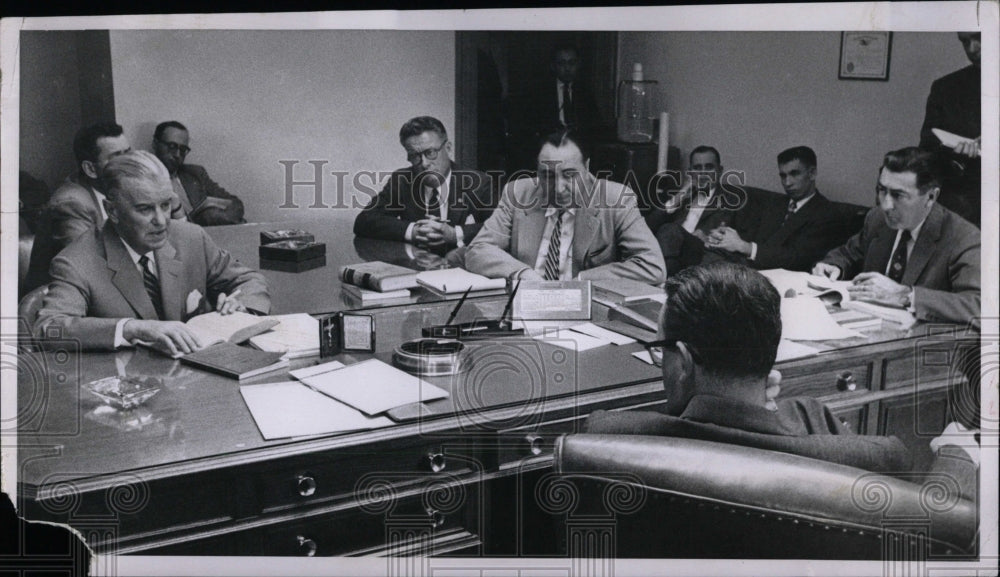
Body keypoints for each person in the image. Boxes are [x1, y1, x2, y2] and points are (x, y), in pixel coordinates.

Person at [585, 263, 978, 490]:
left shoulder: (603, 439)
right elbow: (941, 526)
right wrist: (957, 453)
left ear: (685, 360)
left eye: (662, 350)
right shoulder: (874, 458)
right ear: (767, 361)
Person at [34, 151, 269, 356]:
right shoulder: (76, 262)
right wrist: (131, 328)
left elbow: (249, 280)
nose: (161, 221)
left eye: (165, 205)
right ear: (112, 211)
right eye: (145, 209)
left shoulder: (191, 237)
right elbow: (49, 328)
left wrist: (240, 304)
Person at [465, 129, 665, 284]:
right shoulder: (518, 193)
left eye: (569, 175)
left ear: (587, 167)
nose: (558, 188)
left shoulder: (616, 199)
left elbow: (652, 266)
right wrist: (522, 273)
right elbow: (478, 250)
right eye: (548, 175)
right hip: (526, 301)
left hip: (587, 311)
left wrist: (581, 281)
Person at [813, 147, 980, 327]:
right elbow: (850, 253)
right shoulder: (877, 219)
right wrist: (834, 266)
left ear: (931, 197)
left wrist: (906, 296)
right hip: (863, 329)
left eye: (898, 195)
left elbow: (979, 306)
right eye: (882, 190)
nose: (886, 205)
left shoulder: (964, 238)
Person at [353, 116, 495, 251]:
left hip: (461, 268)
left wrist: (455, 234)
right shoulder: (402, 180)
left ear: (449, 148)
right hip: (415, 266)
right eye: (415, 156)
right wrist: (414, 231)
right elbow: (364, 221)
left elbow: (499, 228)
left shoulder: (478, 182)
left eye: (430, 152)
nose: (425, 164)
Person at [24, 123, 136, 293]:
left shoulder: (118, 189)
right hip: (60, 303)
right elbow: (89, 268)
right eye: (117, 158)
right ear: (91, 169)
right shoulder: (71, 204)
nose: (130, 165)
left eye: (129, 153)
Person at [705, 146, 854, 271]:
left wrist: (745, 247)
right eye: (783, 176)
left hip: (778, 278)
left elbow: (798, 259)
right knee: (700, 252)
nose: (787, 182)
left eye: (794, 174)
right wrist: (723, 236)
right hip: (745, 267)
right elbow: (751, 234)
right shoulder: (775, 203)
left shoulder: (827, 214)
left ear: (812, 173)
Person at [644, 146, 769, 275]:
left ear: (719, 170)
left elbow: (741, 248)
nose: (703, 173)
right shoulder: (683, 196)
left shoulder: (735, 200)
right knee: (668, 231)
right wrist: (678, 197)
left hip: (703, 256)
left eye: (709, 167)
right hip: (674, 255)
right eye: (697, 168)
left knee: (670, 229)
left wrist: (707, 241)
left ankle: (660, 279)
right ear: (690, 172)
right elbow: (647, 227)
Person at [507, 44, 603, 174]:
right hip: (547, 146)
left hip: (577, 147)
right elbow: (527, 126)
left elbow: (595, 126)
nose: (567, 68)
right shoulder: (539, 92)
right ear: (553, 66)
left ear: (578, 65)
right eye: (562, 63)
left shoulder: (585, 93)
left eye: (571, 63)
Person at [919, 32, 981, 228]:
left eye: (980, 38)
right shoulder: (946, 88)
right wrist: (958, 159)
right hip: (963, 212)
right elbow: (927, 152)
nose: (972, 49)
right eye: (965, 41)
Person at [152, 120, 246, 226]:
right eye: (172, 146)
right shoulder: (145, 178)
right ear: (155, 144)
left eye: (183, 149)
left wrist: (214, 216)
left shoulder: (195, 173)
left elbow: (235, 204)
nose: (177, 155)